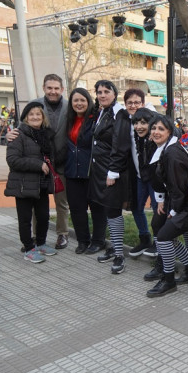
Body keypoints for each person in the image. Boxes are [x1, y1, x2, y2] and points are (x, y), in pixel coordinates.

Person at [7, 75, 70, 250]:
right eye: (49, 88)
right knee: (36, 203)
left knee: (61, 202)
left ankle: (62, 234)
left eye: (56, 88)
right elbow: (22, 128)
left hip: (62, 161)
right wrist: (9, 135)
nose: (53, 91)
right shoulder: (35, 105)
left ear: (62, 89)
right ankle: (35, 238)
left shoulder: (69, 105)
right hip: (39, 163)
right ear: (44, 88)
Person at [146, 115, 188, 297]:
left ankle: (168, 280)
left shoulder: (173, 153)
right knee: (160, 229)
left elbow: (180, 187)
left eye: (161, 129)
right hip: (177, 201)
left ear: (170, 131)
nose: (156, 132)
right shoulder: (164, 149)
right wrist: (162, 200)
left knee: (163, 236)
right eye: (154, 128)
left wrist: (173, 210)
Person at [4, 102, 57, 263]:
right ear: (26, 118)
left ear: (43, 117)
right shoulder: (18, 135)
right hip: (23, 184)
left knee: (43, 216)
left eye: (38, 114)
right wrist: (38, 165)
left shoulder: (45, 135)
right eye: (31, 114)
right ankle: (28, 248)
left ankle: (40, 243)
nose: (35, 117)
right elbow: (12, 160)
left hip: (41, 183)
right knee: (25, 219)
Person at [89, 80, 132, 275]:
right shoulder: (102, 112)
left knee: (113, 212)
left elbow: (120, 145)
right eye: (99, 92)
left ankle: (120, 255)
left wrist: (113, 172)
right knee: (108, 210)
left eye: (107, 91)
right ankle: (114, 247)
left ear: (114, 94)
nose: (102, 95)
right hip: (101, 171)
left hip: (112, 172)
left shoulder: (119, 113)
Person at [64, 88, 107, 255]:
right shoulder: (68, 120)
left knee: (97, 208)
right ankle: (83, 240)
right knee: (77, 208)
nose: (79, 103)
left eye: (82, 100)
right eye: (75, 100)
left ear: (88, 101)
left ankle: (98, 241)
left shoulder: (95, 118)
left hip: (92, 171)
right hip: (72, 172)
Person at [123, 88, 154, 257]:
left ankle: (158, 242)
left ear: (143, 103)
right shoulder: (128, 121)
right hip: (139, 175)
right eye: (130, 103)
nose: (133, 105)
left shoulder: (152, 119)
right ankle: (144, 238)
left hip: (154, 177)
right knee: (136, 206)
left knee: (158, 210)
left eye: (136, 102)